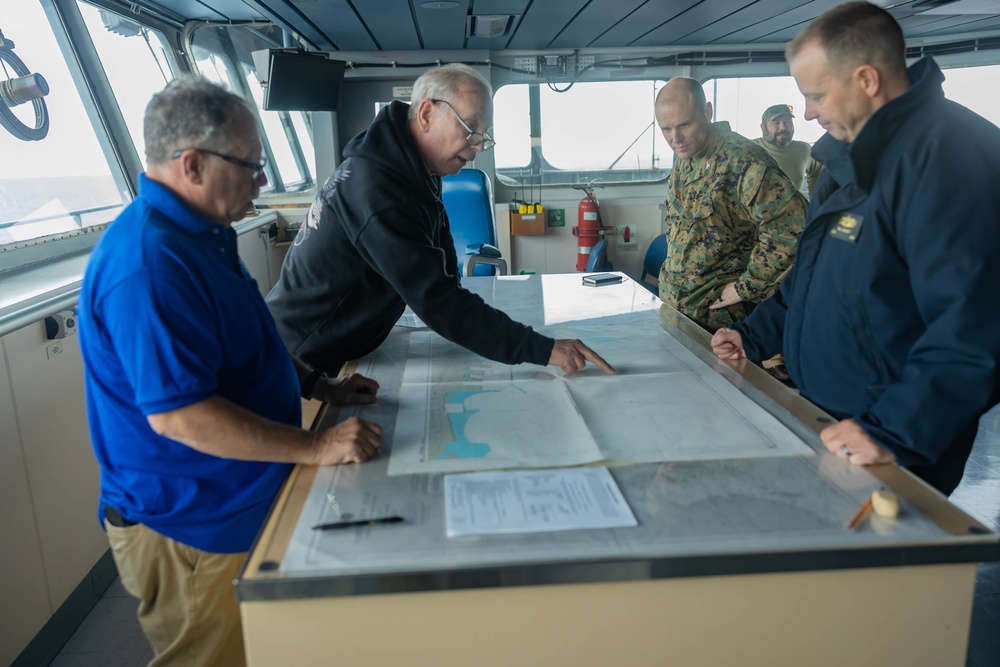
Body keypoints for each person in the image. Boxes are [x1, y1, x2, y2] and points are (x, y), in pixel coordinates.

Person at [77, 77, 384, 666]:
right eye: (249, 167)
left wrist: (319, 385)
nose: (261, 183)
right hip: (190, 519)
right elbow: (181, 417)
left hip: (235, 496)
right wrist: (315, 447)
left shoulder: (204, 232)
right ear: (192, 164)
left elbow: (251, 343)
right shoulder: (149, 264)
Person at [711, 1, 1000, 495]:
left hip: (892, 436)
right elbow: (810, 279)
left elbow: (974, 323)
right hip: (835, 418)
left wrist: (893, 431)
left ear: (866, 80)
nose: (807, 112)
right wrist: (751, 337)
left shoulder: (949, 156)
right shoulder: (848, 155)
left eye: (817, 94)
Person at [266, 64, 613, 376]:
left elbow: (445, 277)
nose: (477, 145)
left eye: (483, 135)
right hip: (299, 360)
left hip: (333, 350)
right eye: (470, 128)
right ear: (427, 113)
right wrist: (543, 349)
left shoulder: (418, 173)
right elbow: (439, 301)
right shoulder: (379, 189)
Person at [654, 77, 808, 332]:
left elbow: (792, 229)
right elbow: (677, 224)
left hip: (722, 322)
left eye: (684, 125)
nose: (675, 138)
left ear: (708, 112)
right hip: (679, 312)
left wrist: (746, 286)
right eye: (666, 129)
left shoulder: (744, 161)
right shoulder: (687, 157)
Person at [753, 104, 822, 198]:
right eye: (776, 123)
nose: (783, 127)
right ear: (763, 128)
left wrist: (815, 208)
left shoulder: (804, 150)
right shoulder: (749, 149)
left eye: (788, 122)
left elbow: (818, 175)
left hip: (795, 212)